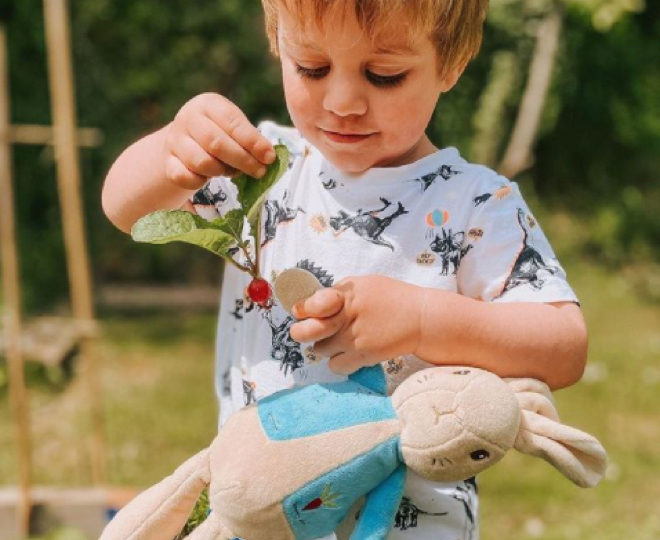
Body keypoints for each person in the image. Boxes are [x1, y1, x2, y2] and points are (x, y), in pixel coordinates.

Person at [102, 0, 588, 538]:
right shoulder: (261, 168)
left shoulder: (476, 204)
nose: (342, 102)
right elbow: (126, 209)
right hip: (261, 513)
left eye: (385, 75)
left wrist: (424, 319)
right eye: (312, 67)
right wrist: (173, 146)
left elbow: (564, 346)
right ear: (277, 41)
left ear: (451, 61)